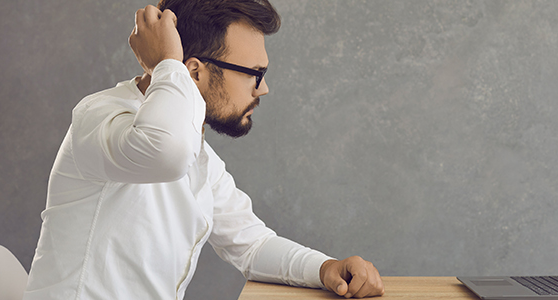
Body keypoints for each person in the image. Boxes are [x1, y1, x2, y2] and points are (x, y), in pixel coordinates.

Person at [23, 0, 385, 299]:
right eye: (253, 74)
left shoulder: (199, 155)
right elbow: (167, 152)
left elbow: (252, 245)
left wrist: (325, 269)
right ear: (193, 72)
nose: (263, 89)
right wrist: (166, 63)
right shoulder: (101, 117)